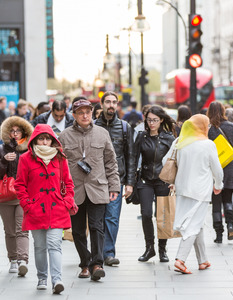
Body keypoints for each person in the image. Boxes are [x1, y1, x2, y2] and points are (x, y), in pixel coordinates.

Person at [58, 96, 120, 281]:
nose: (85, 116)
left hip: (98, 187)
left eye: (87, 112)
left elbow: (111, 161)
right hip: (74, 189)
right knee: (77, 230)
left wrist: (114, 185)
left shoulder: (102, 133)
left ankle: (97, 264)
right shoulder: (64, 135)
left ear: (92, 113)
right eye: (80, 113)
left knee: (97, 227)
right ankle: (85, 263)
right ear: (74, 115)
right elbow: (60, 165)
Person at [15, 124, 77, 294]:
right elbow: (19, 185)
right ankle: (42, 277)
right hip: (35, 209)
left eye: (47, 139)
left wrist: (66, 202)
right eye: (41, 138)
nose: (44, 142)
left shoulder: (60, 158)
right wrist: (27, 205)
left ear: (52, 141)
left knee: (54, 244)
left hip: (57, 208)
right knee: (40, 246)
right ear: (35, 139)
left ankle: (57, 279)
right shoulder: (26, 158)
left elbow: (69, 183)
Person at [163, 114, 224, 274]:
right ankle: (180, 259)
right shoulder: (208, 144)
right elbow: (217, 169)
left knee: (197, 223)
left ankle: (202, 260)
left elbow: (165, 161)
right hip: (200, 191)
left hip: (182, 189)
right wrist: (218, 184)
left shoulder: (179, 141)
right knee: (193, 225)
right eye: (208, 125)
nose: (209, 128)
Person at [94, 91, 136, 266]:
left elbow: (130, 156)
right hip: (95, 180)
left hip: (116, 180)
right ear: (102, 104)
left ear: (117, 105)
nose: (111, 105)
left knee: (112, 217)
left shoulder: (125, 127)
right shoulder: (93, 125)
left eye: (114, 102)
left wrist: (130, 183)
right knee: (96, 219)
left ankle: (108, 252)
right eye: (108, 102)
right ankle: (97, 252)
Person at [132, 105, 176, 262]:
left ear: (161, 120)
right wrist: (131, 182)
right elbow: (133, 159)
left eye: (155, 120)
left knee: (162, 215)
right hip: (145, 181)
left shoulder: (169, 139)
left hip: (163, 182)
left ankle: (162, 250)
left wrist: (174, 181)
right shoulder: (141, 137)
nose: (151, 123)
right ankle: (149, 248)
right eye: (149, 120)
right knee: (146, 214)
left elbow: (175, 161)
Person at [0, 116, 34, 276]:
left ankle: (23, 260)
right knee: (9, 230)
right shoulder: (0, 149)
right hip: (5, 195)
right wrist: (3, 161)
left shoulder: (30, 149)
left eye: (18, 131)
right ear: (7, 132)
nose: (15, 134)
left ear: (24, 131)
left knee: (22, 229)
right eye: (12, 131)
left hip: (24, 194)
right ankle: (13, 259)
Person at [207, 102, 233, 243]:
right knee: (228, 200)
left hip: (213, 170)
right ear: (223, 111)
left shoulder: (208, 129)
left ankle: (218, 234)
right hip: (230, 168)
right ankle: (230, 226)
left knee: (216, 203)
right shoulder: (231, 127)